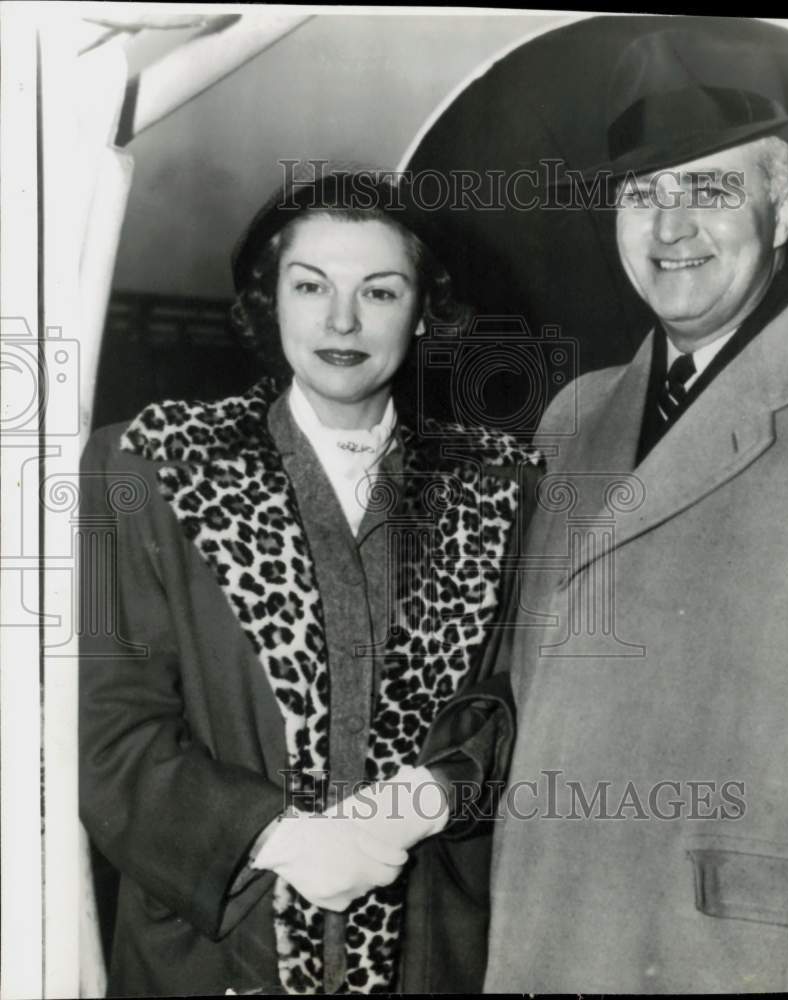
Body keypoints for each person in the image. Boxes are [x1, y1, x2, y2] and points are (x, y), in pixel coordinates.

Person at [484, 29, 788, 993]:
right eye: (642, 194)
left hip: (735, 961)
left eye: (707, 190)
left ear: (783, 213)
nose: (669, 228)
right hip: (549, 940)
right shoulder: (576, 415)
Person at [78, 171, 541, 996]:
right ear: (271, 303)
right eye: (310, 286)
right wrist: (276, 838)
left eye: (380, 290)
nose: (342, 321)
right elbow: (108, 737)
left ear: (424, 310)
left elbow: (526, 706)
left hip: (429, 947)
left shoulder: (500, 487)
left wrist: (428, 797)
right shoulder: (153, 467)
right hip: (216, 945)